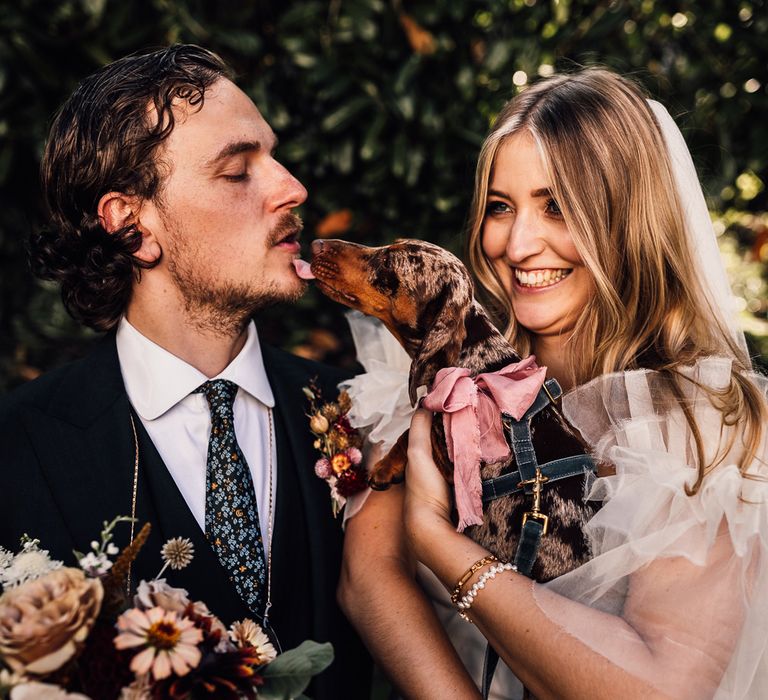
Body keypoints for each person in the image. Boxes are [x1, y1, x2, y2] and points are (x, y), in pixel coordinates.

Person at [341, 68, 767, 698]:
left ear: (629, 220)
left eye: (557, 207)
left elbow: (661, 686)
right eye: (500, 207)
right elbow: (369, 577)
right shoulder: (448, 380)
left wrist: (436, 537)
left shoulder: (705, 430)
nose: (516, 244)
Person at [0, 44, 370, 699]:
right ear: (133, 225)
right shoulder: (16, 450)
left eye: (273, 155)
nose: (292, 187)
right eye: (238, 171)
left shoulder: (364, 415)